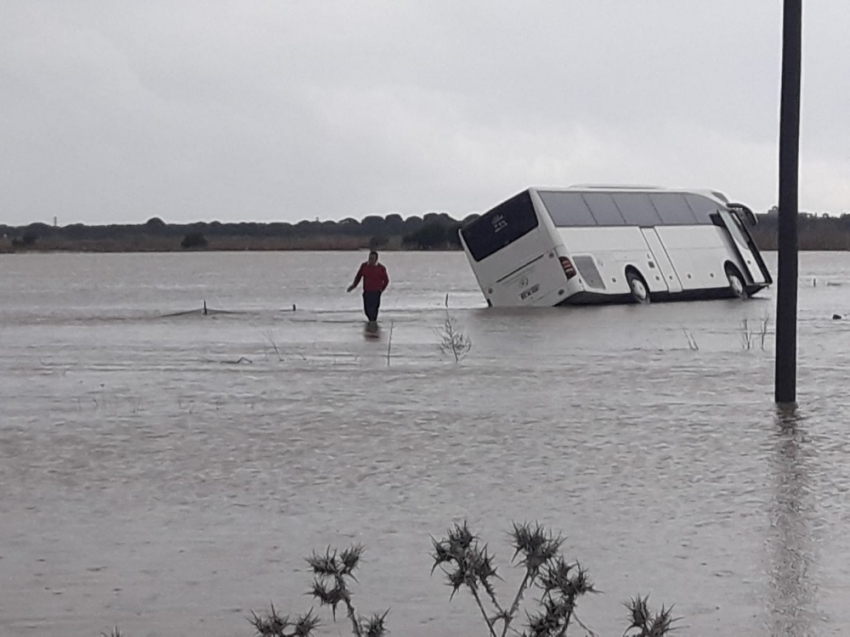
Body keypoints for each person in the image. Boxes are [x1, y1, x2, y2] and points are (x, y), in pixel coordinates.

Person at [347, 250, 389, 324]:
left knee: (374, 310)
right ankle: (372, 323)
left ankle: (373, 325)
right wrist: (354, 285)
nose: (370, 260)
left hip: (376, 292)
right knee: (367, 310)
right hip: (367, 291)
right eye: (369, 258)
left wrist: (381, 290)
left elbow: (386, 281)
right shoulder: (364, 266)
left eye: (372, 258)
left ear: (376, 259)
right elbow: (359, 276)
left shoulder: (381, 268)